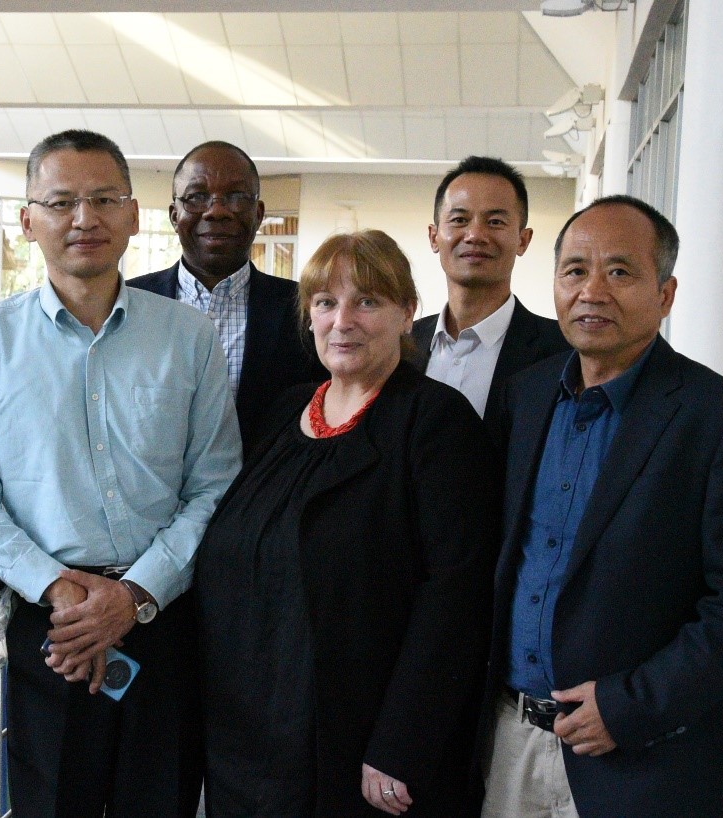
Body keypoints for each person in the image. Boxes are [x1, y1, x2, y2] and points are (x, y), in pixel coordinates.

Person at [0, 129, 241, 817]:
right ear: (27, 220)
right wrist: (64, 593)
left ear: (133, 216)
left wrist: (133, 595)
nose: (84, 219)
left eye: (104, 199)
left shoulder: (188, 338)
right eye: (61, 201)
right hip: (53, 635)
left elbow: (215, 486)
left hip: (164, 623)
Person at [483, 195, 723, 817]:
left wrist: (630, 707)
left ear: (666, 293)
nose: (592, 290)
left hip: (640, 759)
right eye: (575, 271)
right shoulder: (526, 396)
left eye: (620, 272)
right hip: (507, 741)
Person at [197, 230, 501, 816]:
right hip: (249, 740)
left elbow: (456, 598)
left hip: (359, 750)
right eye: (326, 303)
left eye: (368, 301)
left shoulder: (437, 425)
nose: (343, 321)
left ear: (408, 313)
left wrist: (401, 744)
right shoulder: (282, 412)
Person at [128, 141, 325, 455]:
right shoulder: (128, 303)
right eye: (196, 197)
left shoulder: (304, 308)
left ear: (258, 214)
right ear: (174, 215)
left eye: (235, 197)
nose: (216, 210)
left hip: (265, 497)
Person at [416, 156, 569, 423]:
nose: (475, 235)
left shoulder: (562, 351)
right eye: (459, 219)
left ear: (523, 240)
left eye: (495, 222)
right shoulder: (400, 345)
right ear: (434, 237)